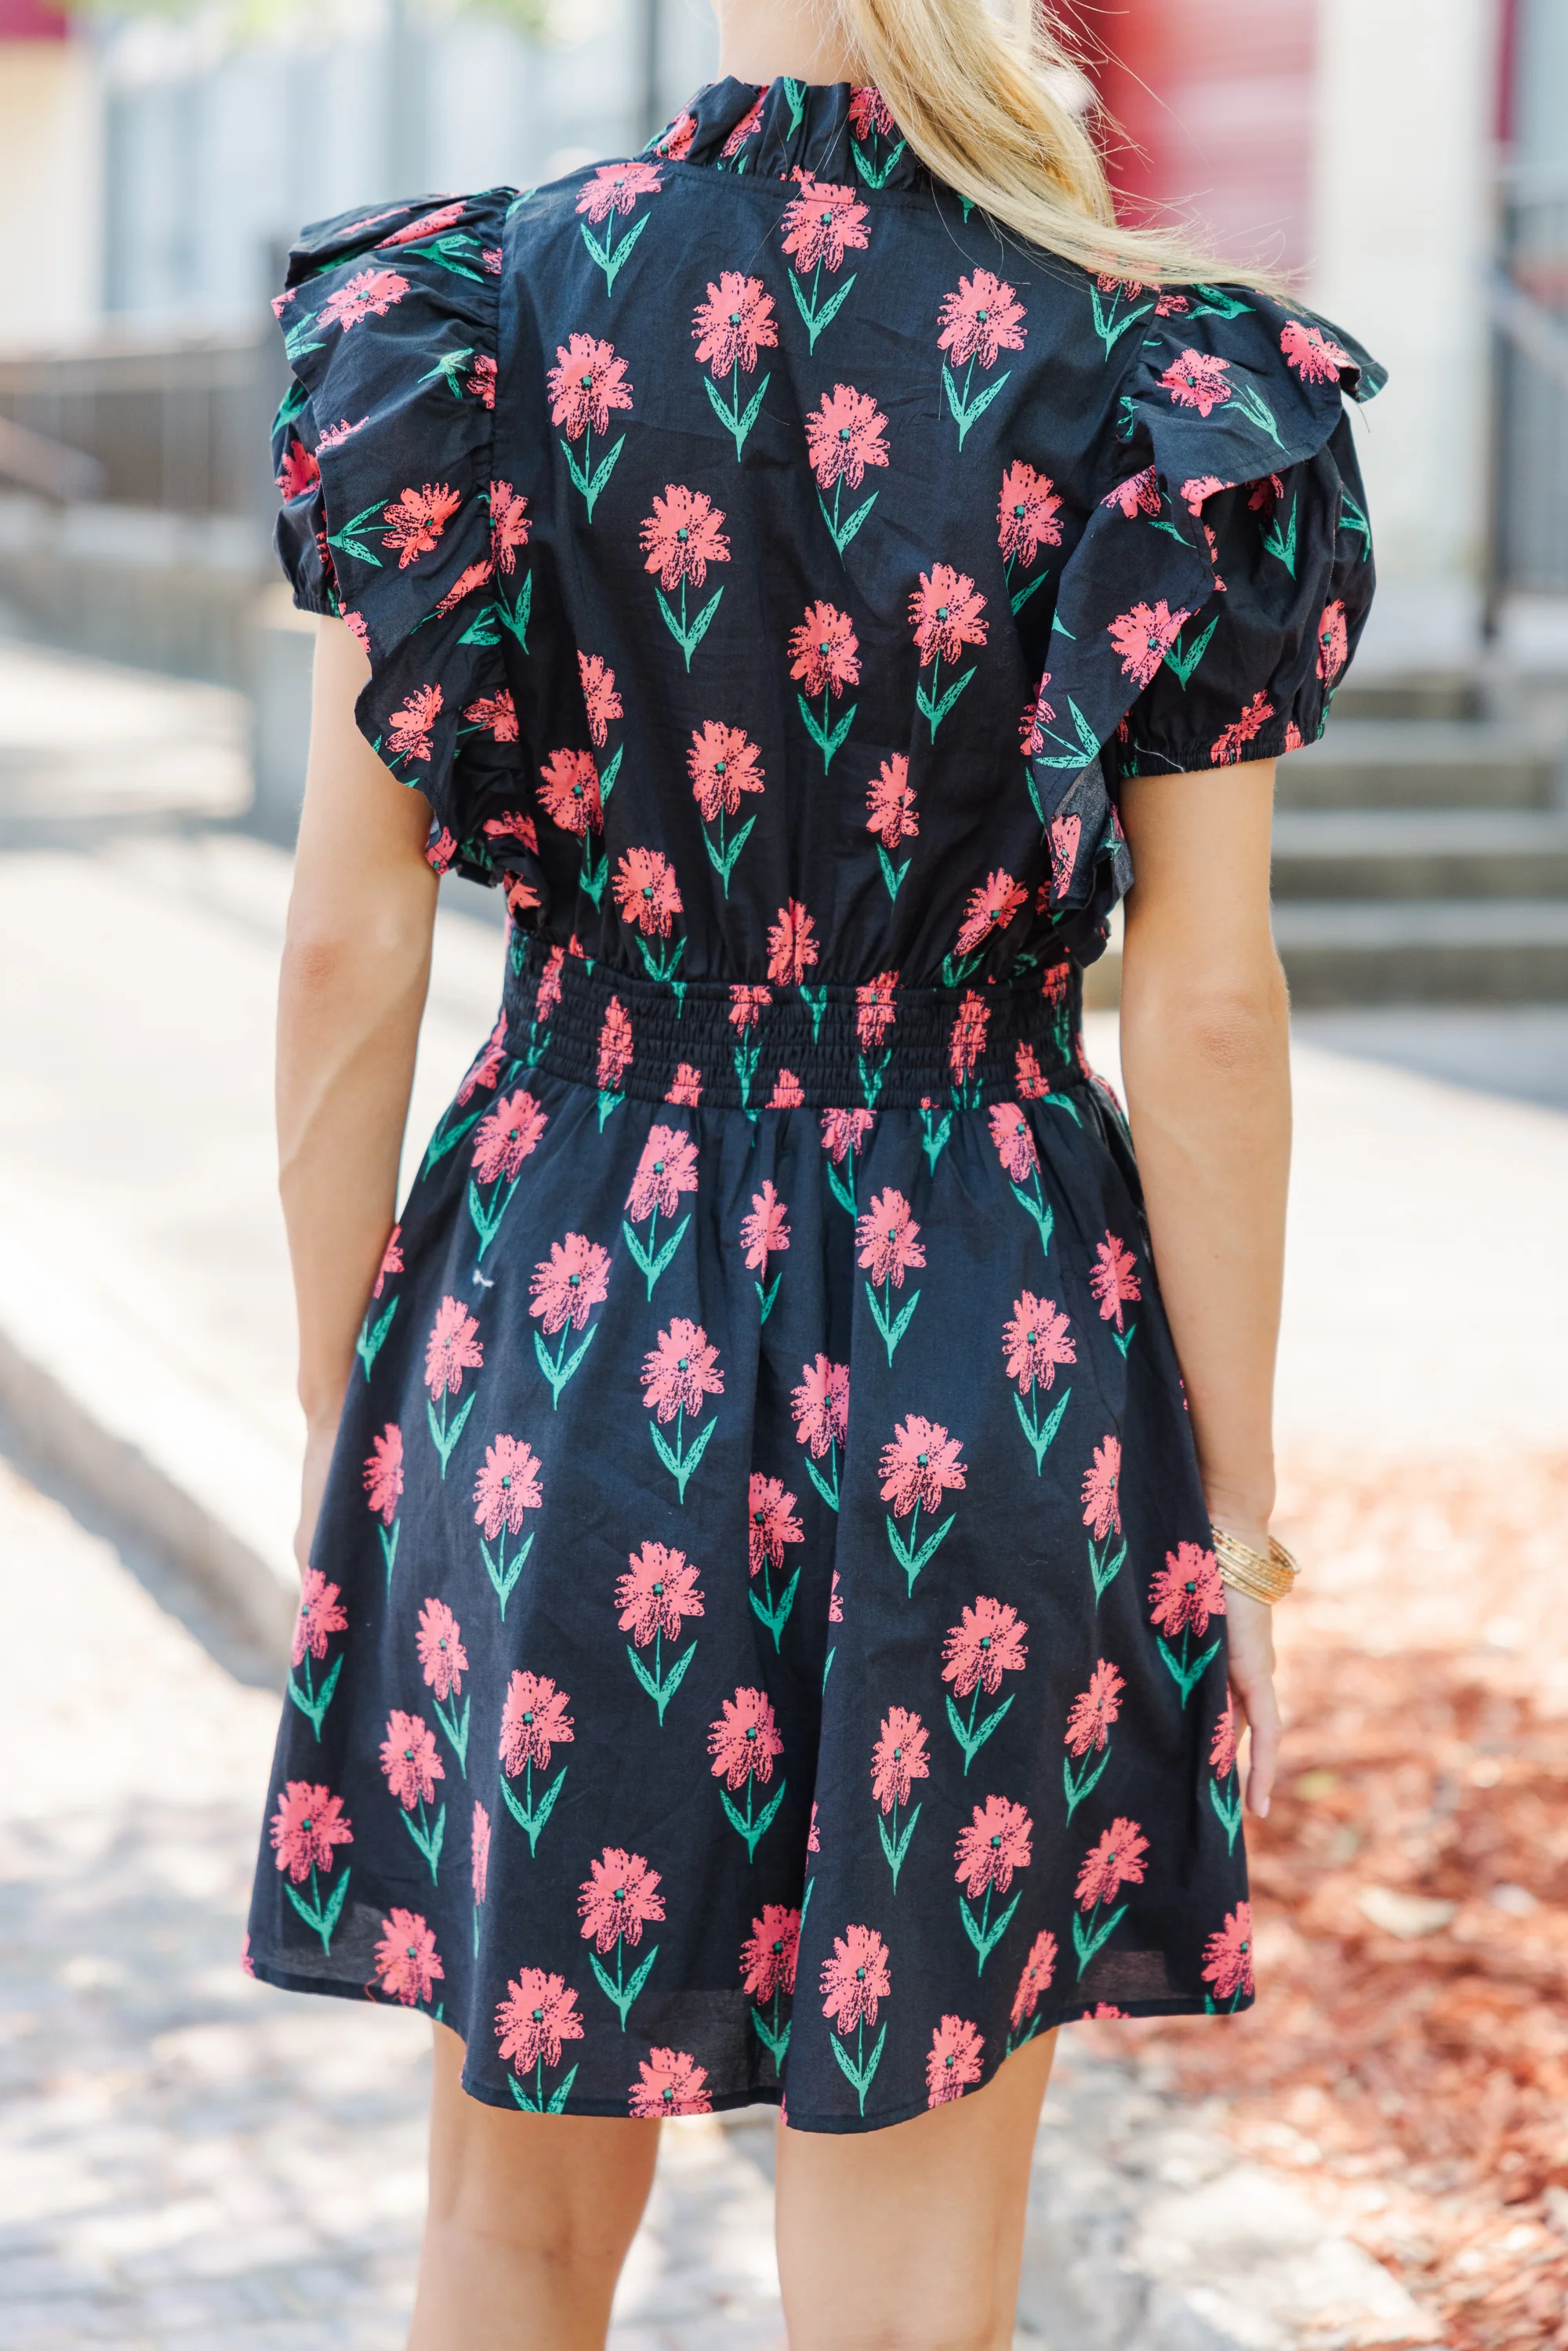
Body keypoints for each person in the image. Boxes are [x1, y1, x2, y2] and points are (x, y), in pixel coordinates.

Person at [245, 0, 1383, 2339]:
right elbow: (1207, 1006)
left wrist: (341, 1389)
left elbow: (354, 940)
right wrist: (1236, 1507)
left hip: (567, 1311)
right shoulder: (1153, 368)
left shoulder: (470, 332)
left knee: (513, 2219)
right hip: (994, 1329)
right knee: (914, 2248)